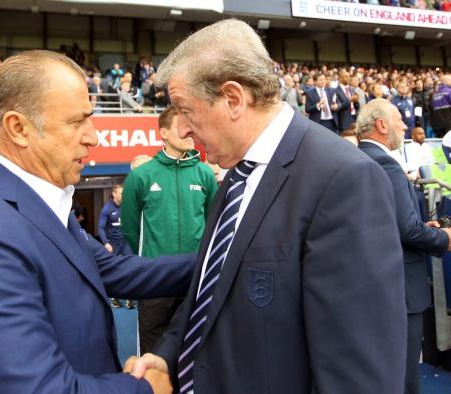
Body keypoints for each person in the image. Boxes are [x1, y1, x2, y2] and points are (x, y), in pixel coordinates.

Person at [126, 19, 407, 394]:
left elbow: (359, 374)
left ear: (232, 99)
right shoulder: (235, 178)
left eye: (184, 109)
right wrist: (167, 354)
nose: (182, 129)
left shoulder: (345, 180)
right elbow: (209, 293)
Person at [0, 50, 197, 394]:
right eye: (77, 122)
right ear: (19, 128)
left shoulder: (35, 205)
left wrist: (225, 254)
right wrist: (146, 389)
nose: (94, 137)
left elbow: (121, 272)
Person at [357, 99, 451, 394]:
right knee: (405, 374)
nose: (405, 126)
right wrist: (445, 238)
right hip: (402, 290)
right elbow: (405, 229)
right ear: (382, 125)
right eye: (399, 119)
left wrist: (425, 228)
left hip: (378, 286)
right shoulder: (387, 164)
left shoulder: (361, 158)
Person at [122, 106, 218, 355]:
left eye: (190, 125)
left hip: (194, 279)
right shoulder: (141, 176)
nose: (188, 132)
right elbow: (131, 230)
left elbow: (213, 225)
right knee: (153, 350)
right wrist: (151, 261)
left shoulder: (205, 174)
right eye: (180, 126)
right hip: (154, 279)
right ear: (163, 133)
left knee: (193, 347)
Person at [98, 184, 134, 309]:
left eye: (124, 193)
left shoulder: (127, 206)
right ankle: (114, 298)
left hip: (126, 243)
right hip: (113, 244)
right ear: (114, 194)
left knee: (130, 267)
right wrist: (106, 243)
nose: (123, 196)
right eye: (120, 193)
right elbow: (101, 228)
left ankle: (130, 298)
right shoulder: (107, 208)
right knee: (114, 270)